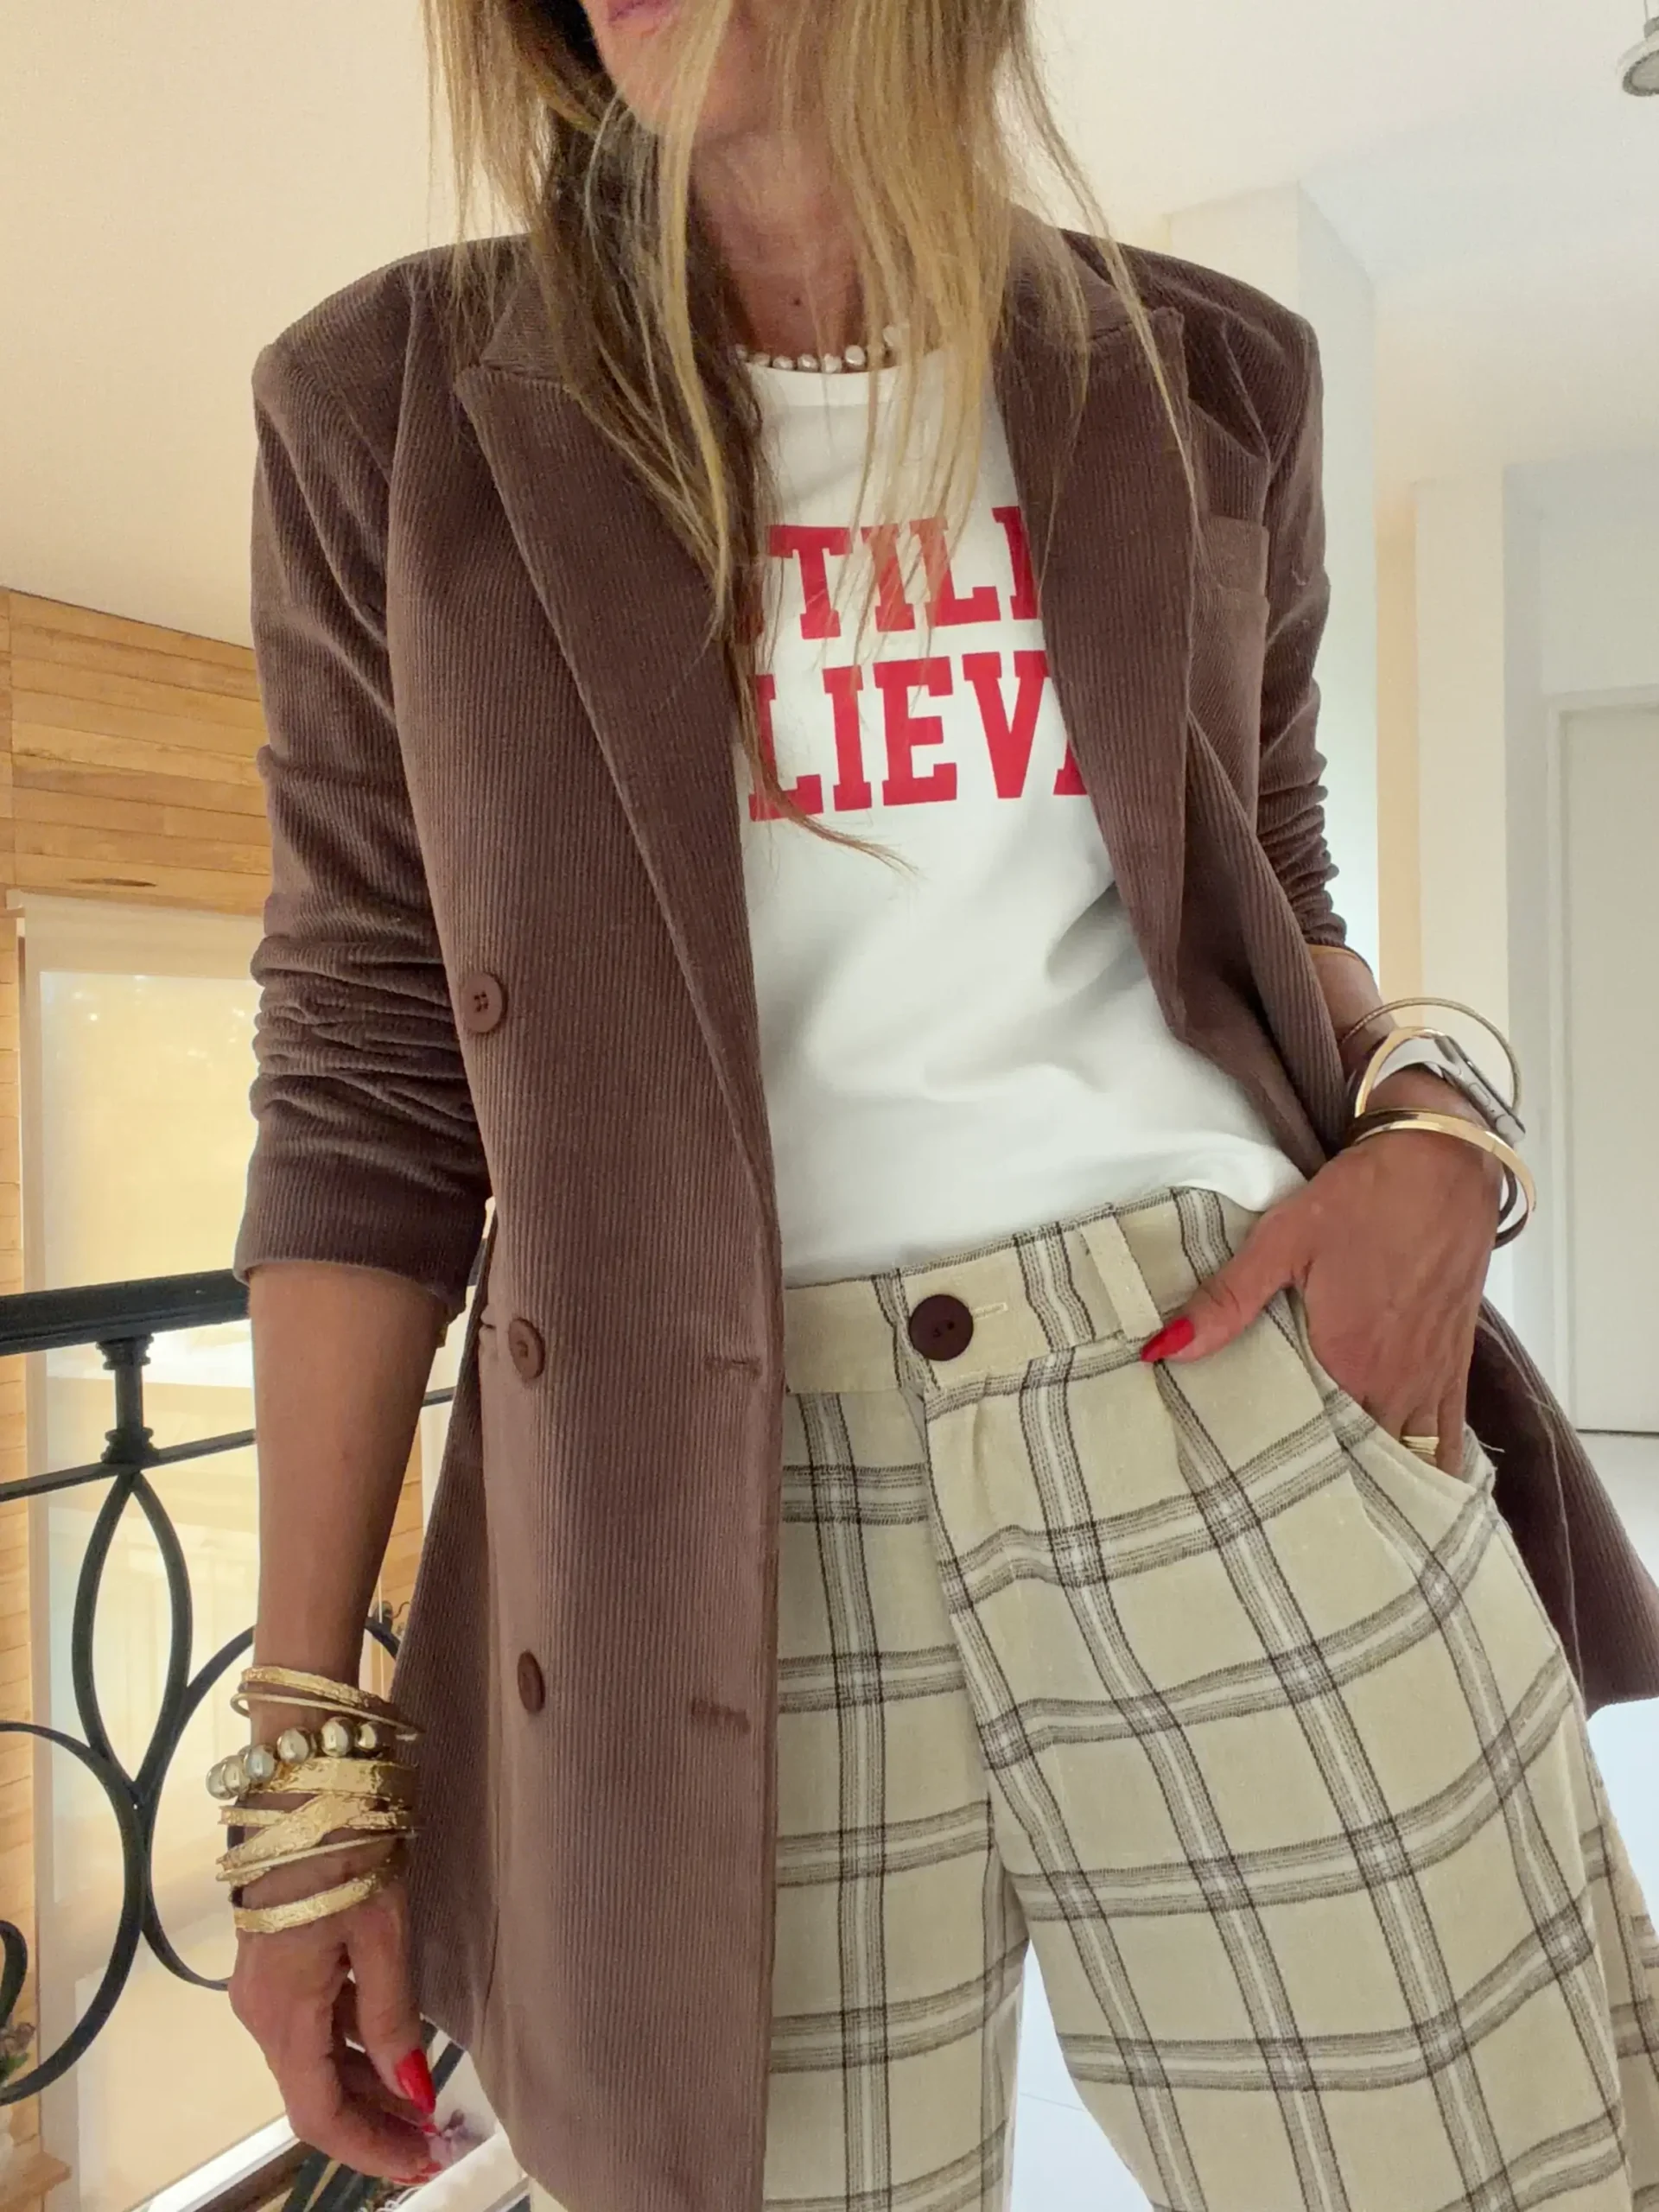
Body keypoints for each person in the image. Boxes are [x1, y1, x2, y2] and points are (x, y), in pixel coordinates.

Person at [220, 1, 1659, 2207]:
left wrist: (1443, 1116)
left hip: (1220, 1387)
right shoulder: (393, 414)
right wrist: (311, 1777)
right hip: (696, 1507)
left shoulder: (1214, 377)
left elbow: (1274, 893)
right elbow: (362, 1073)